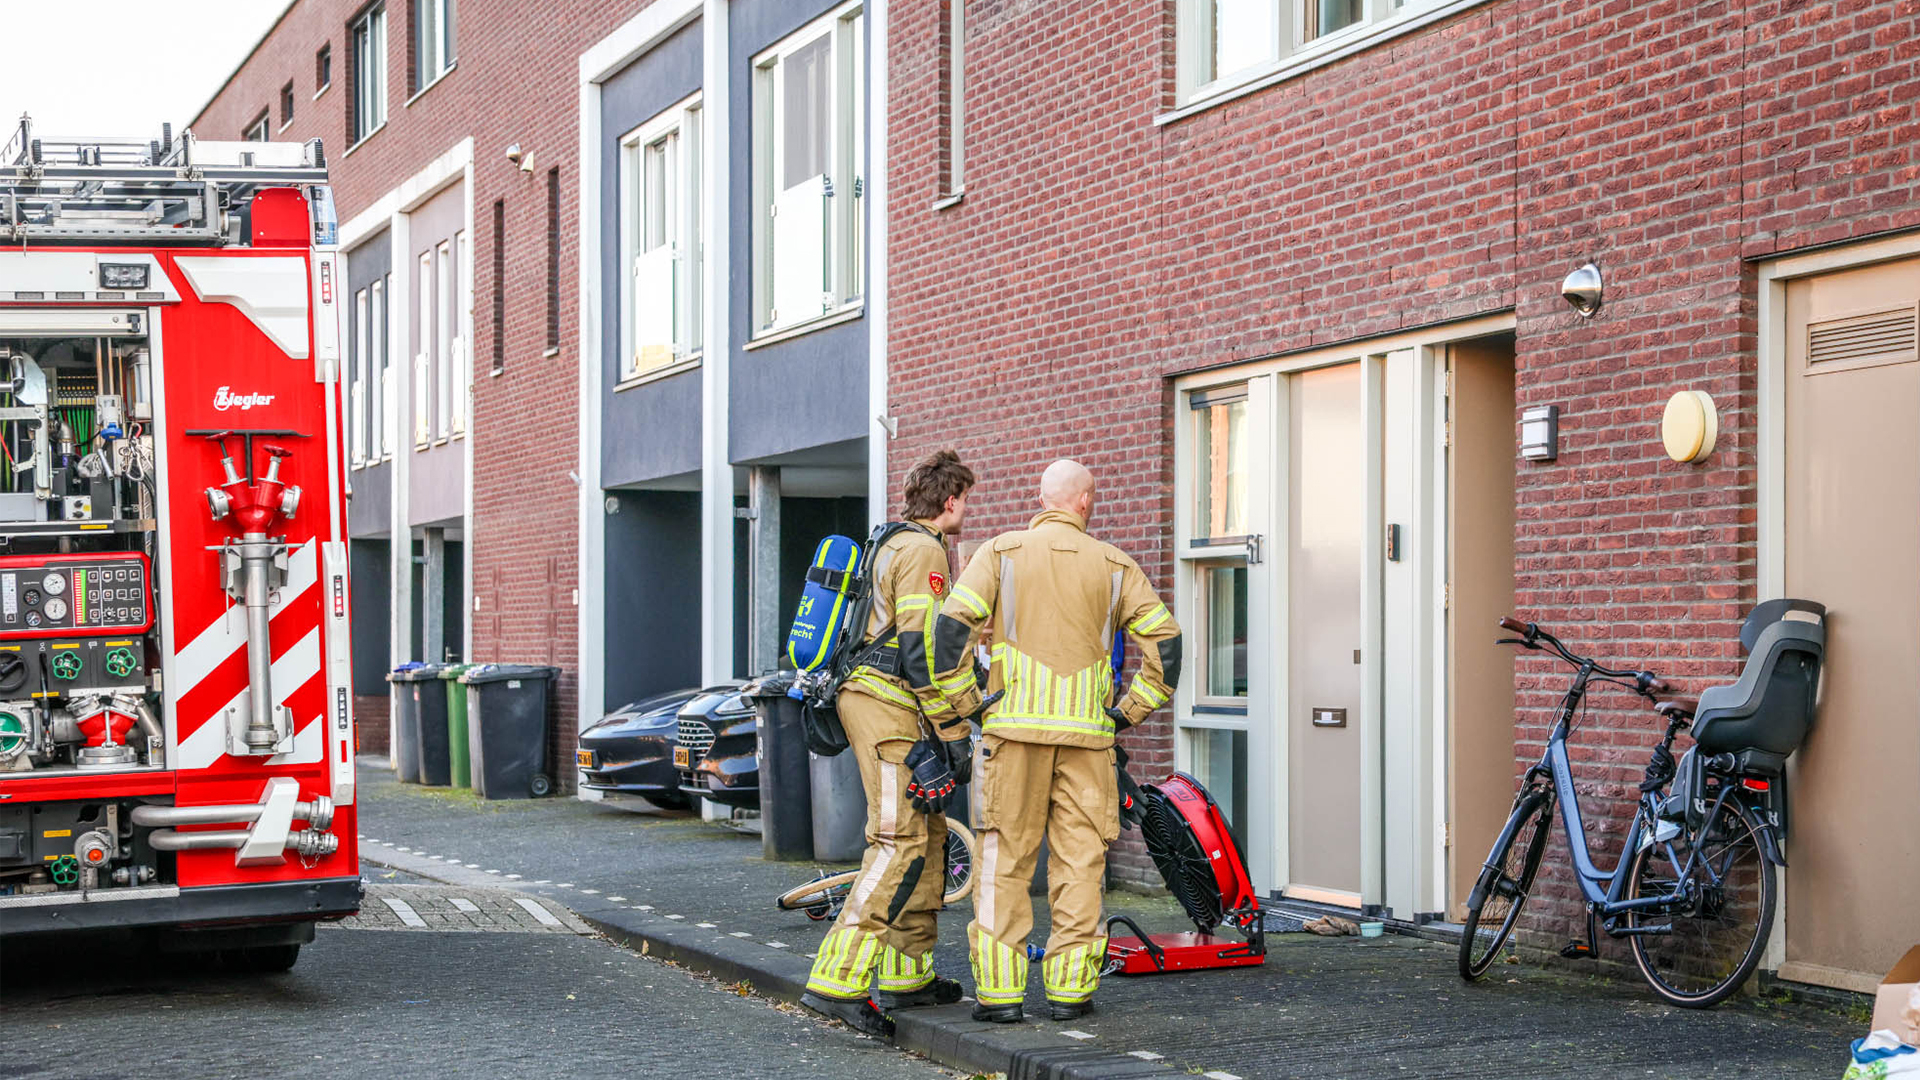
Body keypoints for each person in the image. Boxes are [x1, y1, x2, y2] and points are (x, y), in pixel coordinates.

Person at [931, 459, 1181, 1023]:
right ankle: (1070, 994)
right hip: (1088, 746)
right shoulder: (1116, 566)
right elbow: (1165, 647)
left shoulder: (998, 553)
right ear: (1086, 501)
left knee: (1002, 866)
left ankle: (1000, 997)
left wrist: (968, 703)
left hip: (1011, 738)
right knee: (1080, 866)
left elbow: (949, 635)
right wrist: (1127, 712)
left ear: (1040, 499)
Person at [800, 449, 979, 1037]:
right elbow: (919, 652)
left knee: (926, 836)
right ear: (950, 500)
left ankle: (909, 977)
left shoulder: (888, 540)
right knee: (898, 838)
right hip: (888, 704)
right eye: (965, 501)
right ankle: (837, 980)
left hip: (884, 701)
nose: (965, 511)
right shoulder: (925, 549)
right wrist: (954, 732)